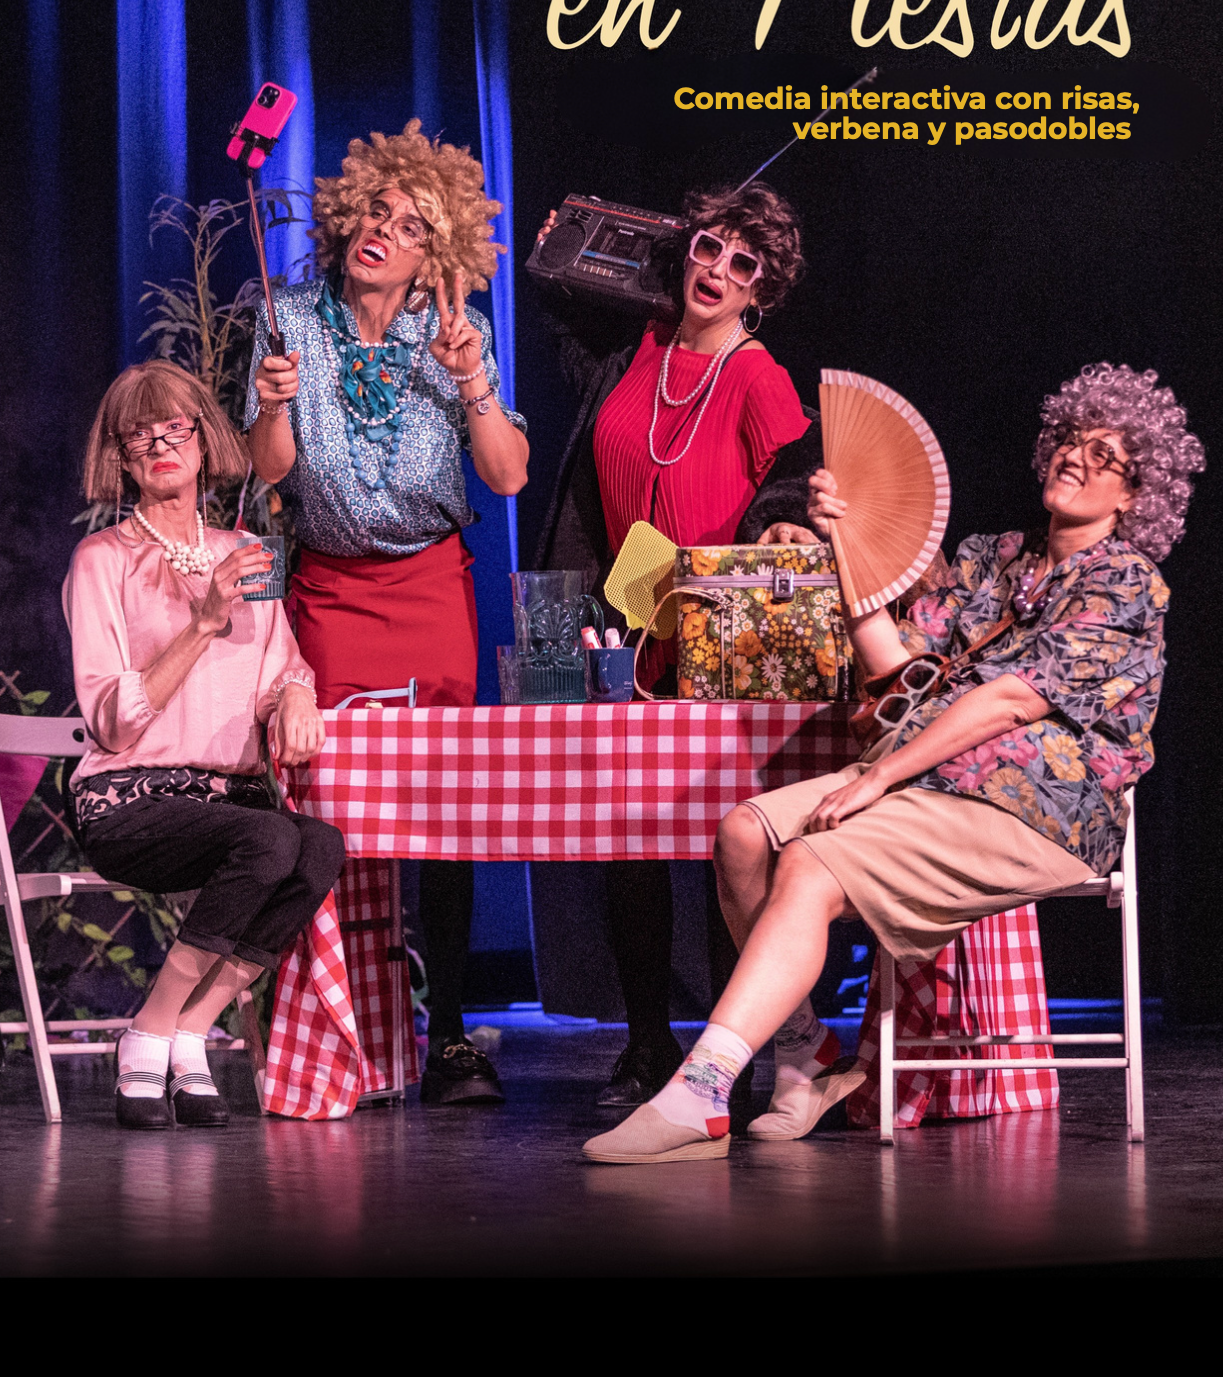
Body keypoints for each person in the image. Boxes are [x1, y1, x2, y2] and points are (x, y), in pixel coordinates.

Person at [583, 362, 1204, 1161]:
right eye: (1070, 439)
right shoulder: (992, 559)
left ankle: (698, 1093)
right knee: (742, 833)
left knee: (809, 863)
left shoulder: (1125, 582)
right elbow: (892, 664)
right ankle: (805, 1051)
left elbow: (1010, 700)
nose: (1075, 457)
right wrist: (844, 541)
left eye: (1103, 455)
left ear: (1134, 496)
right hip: (929, 777)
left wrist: (880, 774)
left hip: (1035, 806)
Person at [246, 121, 528, 1107]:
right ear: (346, 216)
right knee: (328, 807)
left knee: (441, 814)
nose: (384, 230)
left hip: (429, 588)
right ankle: (342, 1026)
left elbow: (507, 475)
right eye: (377, 210)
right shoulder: (287, 317)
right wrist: (272, 402)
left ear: (436, 257)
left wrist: (470, 377)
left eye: (412, 226)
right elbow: (269, 472)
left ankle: (447, 1033)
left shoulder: (456, 332)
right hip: (329, 592)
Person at [536, 182, 823, 1107]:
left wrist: (783, 521)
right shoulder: (637, 348)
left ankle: (738, 1052)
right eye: (708, 247)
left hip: (717, 631)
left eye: (743, 263)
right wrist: (566, 244)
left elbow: (793, 478)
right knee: (628, 840)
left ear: (759, 291)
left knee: (725, 848)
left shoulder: (756, 373)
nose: (718, 270)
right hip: (624, 620)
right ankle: (646, 1041)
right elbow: (564, 291)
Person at [65, 361, 342, 1131]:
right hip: (132, 798)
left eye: (175, 427)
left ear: (202, 438)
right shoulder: (102, 561)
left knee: (317, 845)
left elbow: (281, 667)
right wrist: (203, 620)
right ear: (121, 456)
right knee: (266, 840)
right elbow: (112, 719)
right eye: (140, 434)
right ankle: (151, 1028)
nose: (161, 444)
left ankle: (189, 1028)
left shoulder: (247, 550)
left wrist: (296, 693)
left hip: (230, 801)